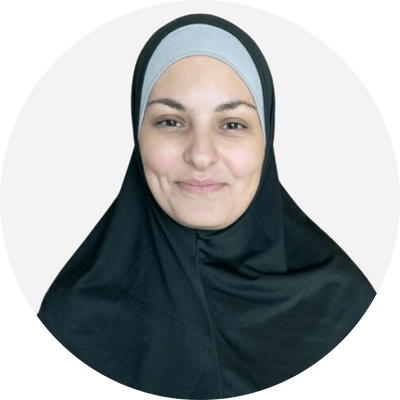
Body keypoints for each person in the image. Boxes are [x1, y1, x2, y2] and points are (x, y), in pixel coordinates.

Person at [38, 14, 376, 399]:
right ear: (138, 135)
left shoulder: (348, 309)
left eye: (232, 124)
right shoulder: (70, 320)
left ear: (266, 142)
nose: (200, 155)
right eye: (170, 121)